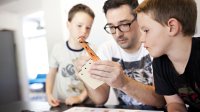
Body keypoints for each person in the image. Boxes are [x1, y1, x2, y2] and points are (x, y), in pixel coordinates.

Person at [75, 0, 165, 109]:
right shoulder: (106, 49)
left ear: (138, 19)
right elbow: (100, 99)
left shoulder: (154, 45)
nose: (118, 34)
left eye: (123, 24)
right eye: (112, 27)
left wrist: (124, 83)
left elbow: (161, 100)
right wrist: (85, 76)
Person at [135, 0, 199, 111]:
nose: (141, 39)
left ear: (172, 27)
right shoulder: (159, 62)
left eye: (146, 30)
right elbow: (175, 103)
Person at [45, 3, 95, 107]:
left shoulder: (93, 51)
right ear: (68, 25)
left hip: (87, 105)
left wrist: (80, 97)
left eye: (88, 27)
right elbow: (51, 74)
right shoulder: (58, 49)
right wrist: (49, 94)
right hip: (64, 103)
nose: (84, 31)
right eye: (79, 26)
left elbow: (94, 81)